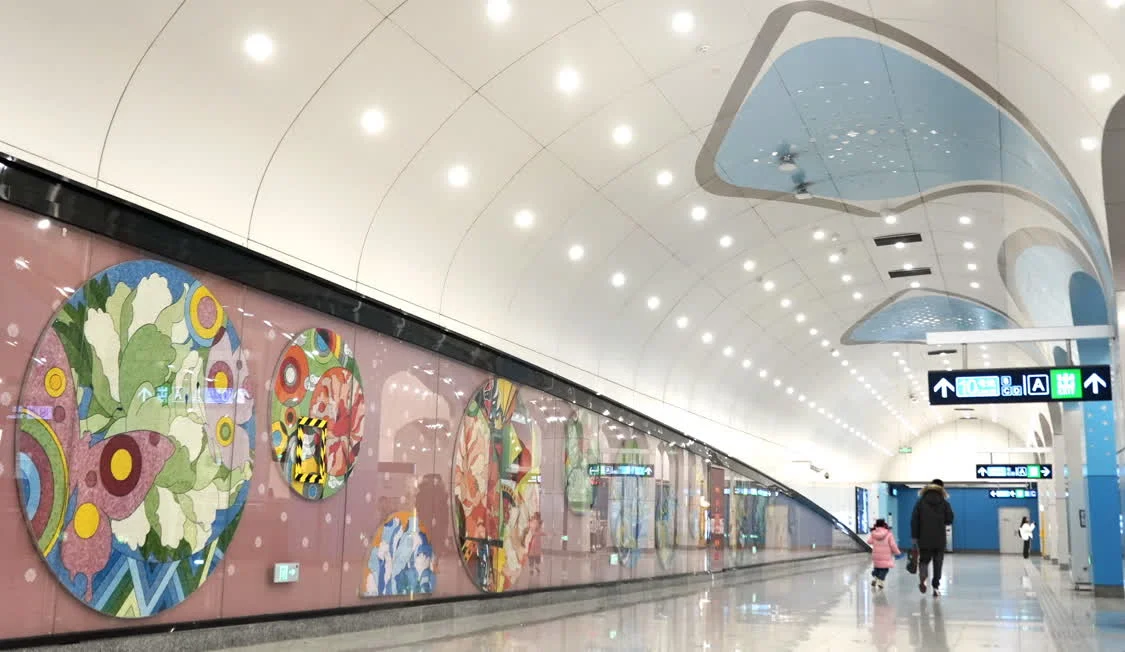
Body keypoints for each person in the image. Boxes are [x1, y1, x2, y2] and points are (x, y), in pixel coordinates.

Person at [911, 479, 954, 597]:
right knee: (938, 562)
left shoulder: (920, 502)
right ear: (942, 488)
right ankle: (935, 587)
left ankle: (923, 579)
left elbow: (914, 521)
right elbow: (949, 519)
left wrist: (914, 537)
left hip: (924, 538)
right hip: (939, 539)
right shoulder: (945, 503)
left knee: (924, 561)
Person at [867, 518, 901, 590]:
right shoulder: (888, 534)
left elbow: (869, 541)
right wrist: (897, 552)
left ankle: (875, 578)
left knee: (877, 568)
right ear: (884, 524)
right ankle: (880, 581)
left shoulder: (874, 533)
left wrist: (873, 535)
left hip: (876, 555)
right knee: (884, 569)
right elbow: (892, 545)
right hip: (885, 556)